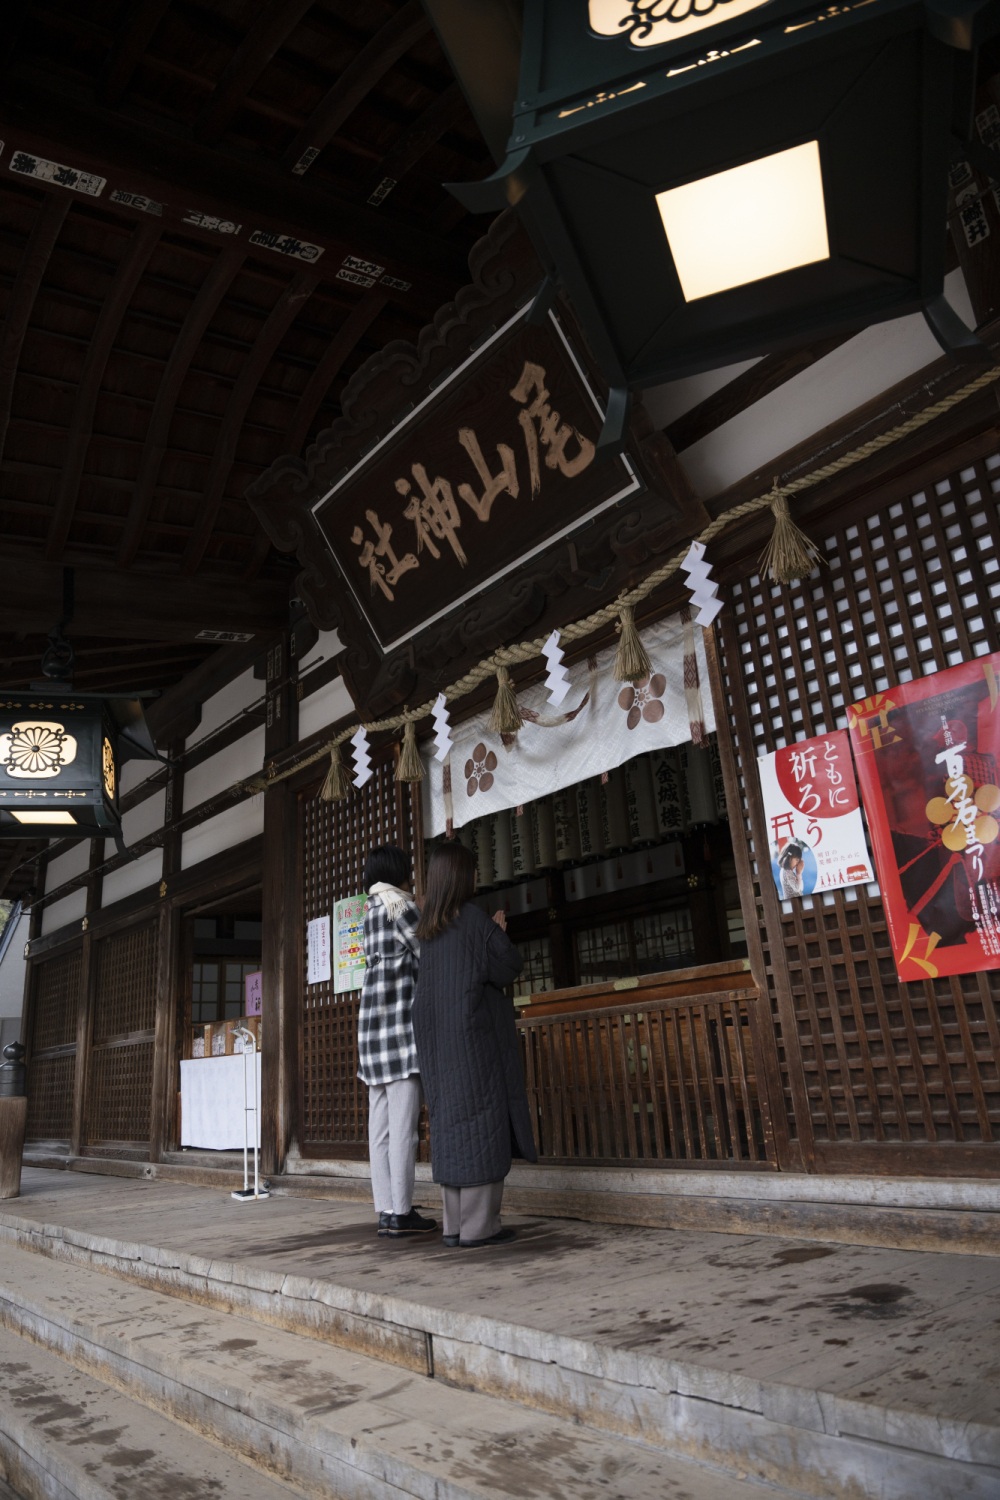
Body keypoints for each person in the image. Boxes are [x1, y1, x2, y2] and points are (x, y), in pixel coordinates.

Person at [412, 841, 538, 1249]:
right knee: (482, 1119)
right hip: (472, 1042)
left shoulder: (428, 928)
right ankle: (480, 1227)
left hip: (436, 1044)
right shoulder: (473, 920)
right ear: (463, 877)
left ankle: (454, 1225)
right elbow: (508, 966)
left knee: (450, 1124)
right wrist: (498, 933)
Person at [358, 844, 436, 1239]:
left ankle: (386, 1208)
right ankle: (402, 1212)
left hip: (371, 1035)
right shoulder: (400, 907)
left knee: (381, 1130)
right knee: (404, 1129)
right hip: (401, 1034)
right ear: (397, 872)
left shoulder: (369, 912)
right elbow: (429, 952)